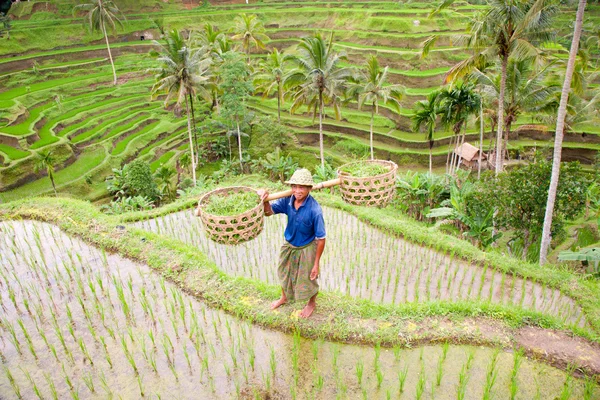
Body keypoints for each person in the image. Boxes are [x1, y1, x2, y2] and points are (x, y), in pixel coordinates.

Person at [257, 168, 326, 318]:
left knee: (309, 278)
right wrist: (265, 200)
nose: (297, 190)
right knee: (284, 272)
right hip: (289, 244)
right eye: (294, 186)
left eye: (302, 187)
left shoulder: (315, 210)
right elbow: (269, 212)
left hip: (307, 247)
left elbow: (321, 239)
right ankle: (284, 297)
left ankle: (311, 303)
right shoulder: (287, 201)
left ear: (309, 189)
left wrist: (316, 263)